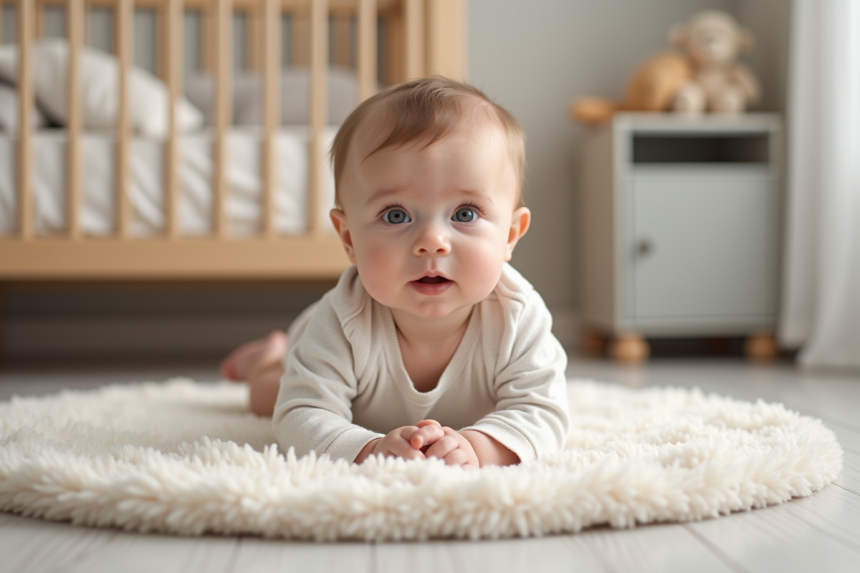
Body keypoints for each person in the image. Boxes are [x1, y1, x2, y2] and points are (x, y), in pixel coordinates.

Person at [220, 77, 569, 468]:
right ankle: (269, 357)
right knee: (267, 398)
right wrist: (366, 449)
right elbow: (300, 416)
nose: (432, 241)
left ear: (509, 235)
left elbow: (544, 413)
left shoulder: (517, 316)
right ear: (349, 237)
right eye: (396, 215)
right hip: (309, 345)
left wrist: (478, 446)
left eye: (464, 214)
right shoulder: (342, 320)